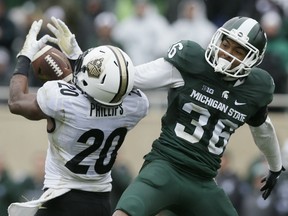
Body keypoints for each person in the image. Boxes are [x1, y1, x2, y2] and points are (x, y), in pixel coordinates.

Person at [47, 16, 285, 216]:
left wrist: (275, 167)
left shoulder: (257, 88)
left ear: (252, 59)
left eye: (238, 51)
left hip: (204, 181)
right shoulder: (191, 60)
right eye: (226, 44)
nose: (226, 54)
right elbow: (126, 77)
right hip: (165, 166)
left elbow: (263, 129)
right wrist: (80, 58)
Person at [7, 18, 149, 216]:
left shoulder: (63, 101)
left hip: (62, 200)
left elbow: (16, 101)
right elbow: (99, 91)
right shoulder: (135, 105)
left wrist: (24, 57)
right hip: (101, 203)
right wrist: (77, 56)